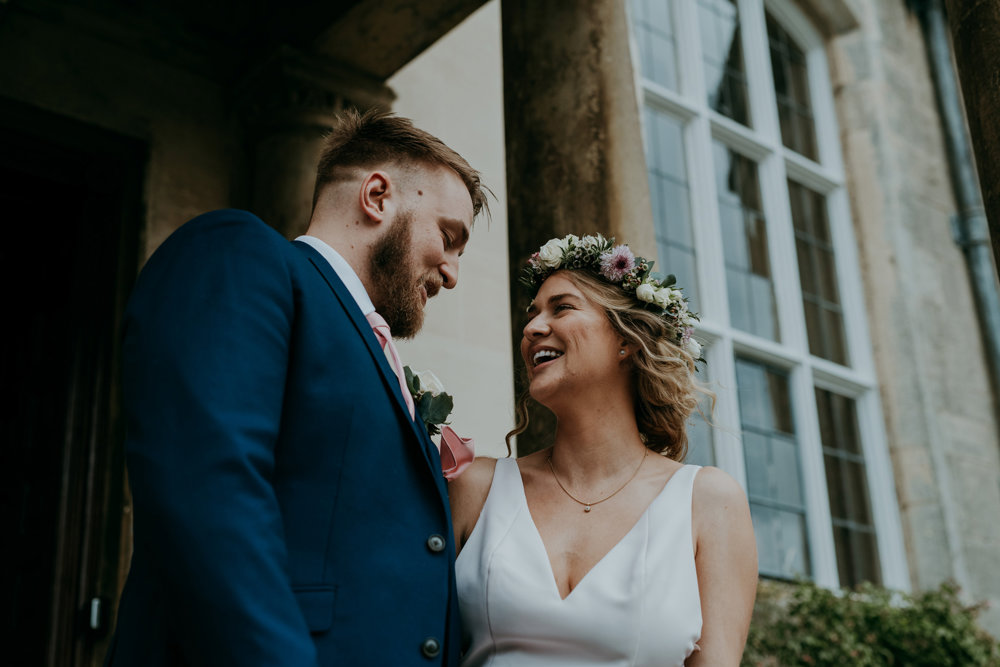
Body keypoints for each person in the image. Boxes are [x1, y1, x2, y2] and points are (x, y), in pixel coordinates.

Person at [104, 109, 487, 666]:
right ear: (377, 197)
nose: (452, 273)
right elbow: (209, 490)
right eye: (449, 238)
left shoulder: (372, 347)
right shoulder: (241, 256)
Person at [449, 234, 758, 666]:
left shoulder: (707, 502)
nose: (531, 329)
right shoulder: (476, 487)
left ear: (626, 340)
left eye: (562, 308)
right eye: (532, 314)